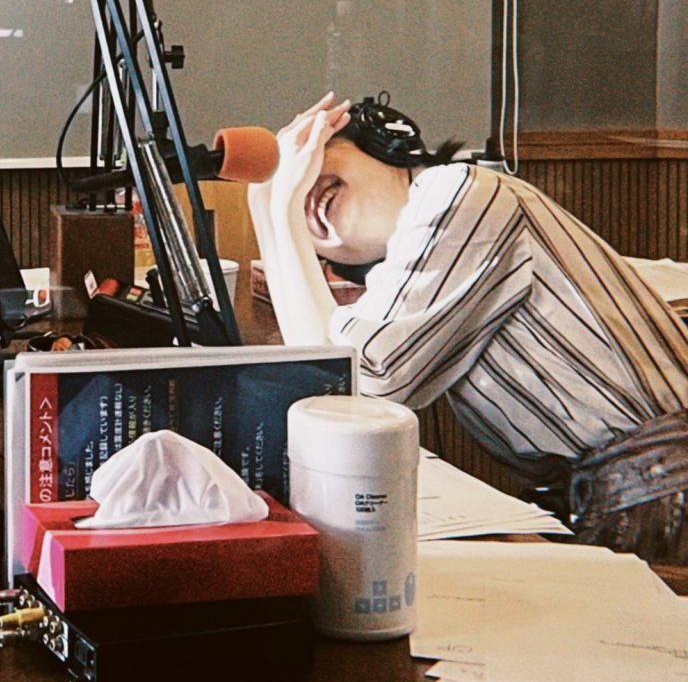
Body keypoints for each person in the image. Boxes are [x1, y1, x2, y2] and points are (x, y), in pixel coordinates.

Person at [248, 91, 688, 563]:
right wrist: (267, 205)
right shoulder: (408, 274)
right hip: (626, 498)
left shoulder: (457, 190)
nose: (306, 194)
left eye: (312, 163)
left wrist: (283, 210)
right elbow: (332, 388)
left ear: (385, 141)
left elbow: (358, 385)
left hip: (664, 489)